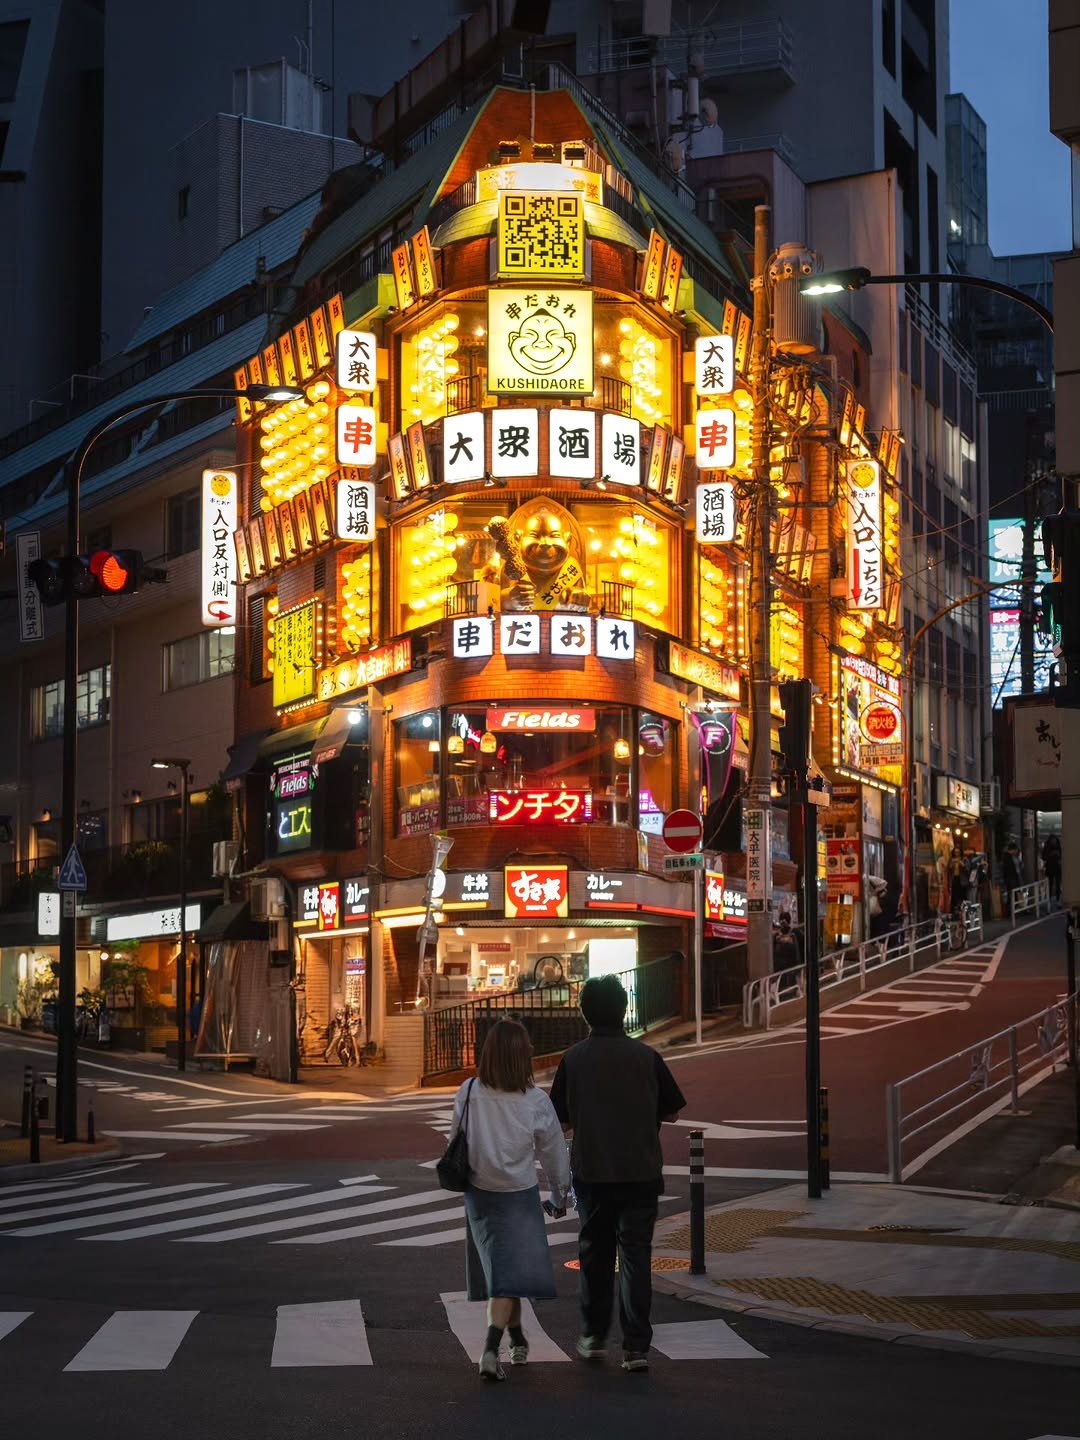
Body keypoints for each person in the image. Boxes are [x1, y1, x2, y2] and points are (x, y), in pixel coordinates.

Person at [550, 974, 686, 1374]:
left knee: (595, 1254)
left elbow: (560, 1120)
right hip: (640, 1171)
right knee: (635, 1257)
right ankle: (636, 1347)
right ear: (624, 1010)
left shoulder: (573, 1059)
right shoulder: (646, 1057)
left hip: (593, 1172)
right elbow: (673, 1111)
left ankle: (594, 1337)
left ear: (585, 1013)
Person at [449, 1018, 570, 1383]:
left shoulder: (469, 1091)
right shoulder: (534, 1100)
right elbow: (554, 1153)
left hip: (479, 1194)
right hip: (519, 1193)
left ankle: (517, 1338)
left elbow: (455, 1139)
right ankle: (490, 1349)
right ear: (523, 1056)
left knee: (504, 1271)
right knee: (507, 1274)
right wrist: (560, 1194)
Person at [1001, 843, 1022, 918]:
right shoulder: (1008, 857)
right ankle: (1011, 912)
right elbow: (1009, 869)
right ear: (1013, 850)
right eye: (1015, 850)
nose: (1016, 851)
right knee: (1012, 895)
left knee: (1012, 895)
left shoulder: (1009, 857)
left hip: (1011, 878)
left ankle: (1012, 911)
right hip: (1011, 878)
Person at [1043, 832, 1063, 903]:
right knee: (1050, 884)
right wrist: (1051, 854)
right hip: (1050, 867)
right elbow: (1044, 857)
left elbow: (1062, 855)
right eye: (1052, 840)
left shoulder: (1058, 845)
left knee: (1058, 884)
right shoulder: (1047, 846)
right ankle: (1050, 899)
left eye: (1054, 840)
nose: (1053, 842)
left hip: (1057, 867)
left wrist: (1059, 856)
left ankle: (1058, 899)